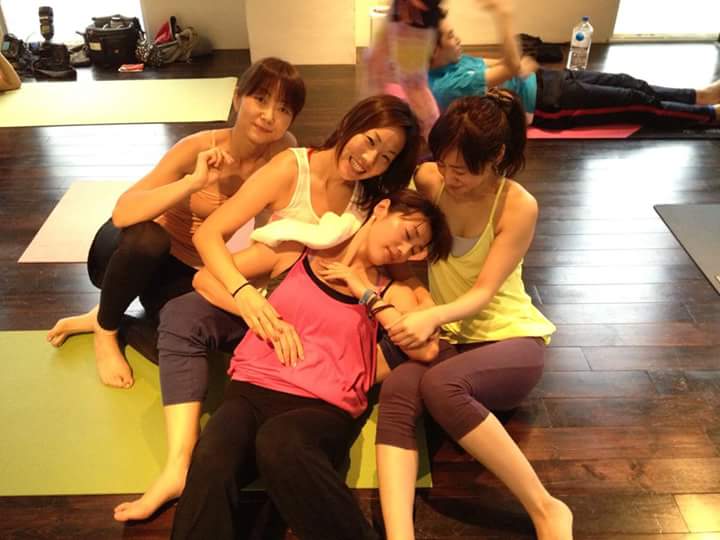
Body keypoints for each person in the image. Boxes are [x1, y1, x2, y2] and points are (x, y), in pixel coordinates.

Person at [111, 93, 422, 522]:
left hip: (308, 323)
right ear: (352, 122)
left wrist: (416, 302)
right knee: (181, 314)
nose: (370, 159)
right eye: (369, 141)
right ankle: (178, 464)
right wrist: (246, 297)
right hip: (257, 296)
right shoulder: (290, 168)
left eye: (386, 156)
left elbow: (403, 253)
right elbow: (209, 237)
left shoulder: (372, 199)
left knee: (288, 432)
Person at [171, 190, 451, 539]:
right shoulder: (294, 253)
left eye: (414, 249)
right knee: (212, 457)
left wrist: (364, 291)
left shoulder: (390, 292)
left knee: (280, 442)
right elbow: (205, 279)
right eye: (407, 234)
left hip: (321, 407)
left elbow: (427, 349)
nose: (403, 250)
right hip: (251, 389)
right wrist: (261, 312)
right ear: (382, 209)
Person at [374, 91, 573, 540]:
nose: (450, 177)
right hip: (450, 340)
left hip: (510, 340)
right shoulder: (430, 180)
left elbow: (484, 292)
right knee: (399, 390)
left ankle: (546, 508)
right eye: (443, 165)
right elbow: (383, 208)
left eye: (461, 170)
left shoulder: (517, 205)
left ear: (496, 156)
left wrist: (429, 316)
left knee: (440, 385)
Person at [45, 57, 306, 389]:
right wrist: (192, 183)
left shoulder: (282, 152)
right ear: (238, 98)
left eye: (283, 109)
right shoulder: (196, 148)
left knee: (194, 342)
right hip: (128, 250)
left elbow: (268, 226)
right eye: (261, 99)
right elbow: (123, 212)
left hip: (185, 271)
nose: (269, 115)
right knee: (151, 240)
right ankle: (106, 331)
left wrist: (254, 288)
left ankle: (109, 315)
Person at [428, 2, 720, 129]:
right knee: (635, 102)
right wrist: (501, 15)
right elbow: (512, 66)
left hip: (549, 80)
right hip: (549, 105)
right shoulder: (450, 86)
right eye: (451, 36)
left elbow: (506, 63)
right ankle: (709, 115)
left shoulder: (453, 62)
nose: (458, 38)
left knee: (627, 81)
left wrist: (515, 63)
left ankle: (699, 95)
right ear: (433, 51)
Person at [363, 0, 442, 138]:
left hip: (416, 21)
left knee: (413, 83)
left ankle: (431, 132)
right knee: (375, 62)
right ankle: (381, 116)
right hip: (405, 16)